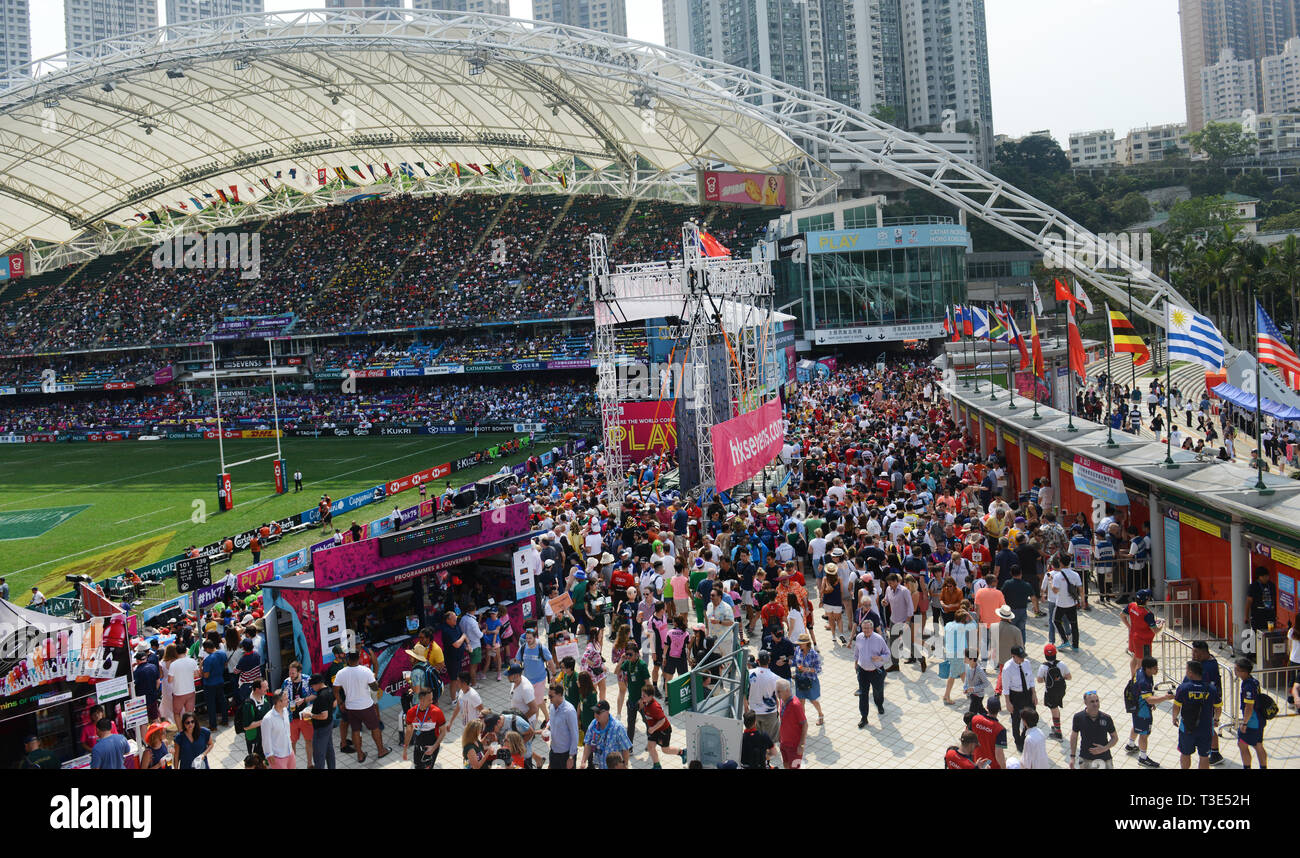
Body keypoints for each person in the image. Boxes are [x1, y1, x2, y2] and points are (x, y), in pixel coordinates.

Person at [334, 650, 389, 763]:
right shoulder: (366, 671)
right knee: (375, 728)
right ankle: (381, 750)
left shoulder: (341, 673)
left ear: (348, 659)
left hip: (351, 707)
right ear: (359, 658)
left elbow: (335, 690)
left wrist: (340, 703)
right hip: (366, 706)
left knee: (356, 730)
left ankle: (360, 755)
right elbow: (374, 688)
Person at [1172, 658, 1222, 770]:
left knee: (1185, 753)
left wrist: (1174, 718)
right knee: (1204, 757)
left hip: (1187, 728)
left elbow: (1176, 706)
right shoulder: (1211, 689)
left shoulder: (1183, 688)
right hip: (1205, 729)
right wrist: (1216, 720)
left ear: (1190, 672)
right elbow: (1218, 708)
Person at [1123, 655, 1172, 768]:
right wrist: (1165, 697)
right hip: (1142, 710)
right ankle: (1143, 758)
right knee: (1144, 734)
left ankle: (1130, 745)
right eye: (1155, 668)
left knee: (1137, 725)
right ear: (1148, 668)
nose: (1157, 669)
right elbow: (1149, 699)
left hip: (1136, 707)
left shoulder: (1141, 671)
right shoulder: (1144, 681)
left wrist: (1152, 701)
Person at [852, 618, 890, 728]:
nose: (866, 630)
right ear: (861, 628)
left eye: (868, 628)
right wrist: (855, 663)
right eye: (864, 628)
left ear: (872, 628)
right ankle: (864, 717)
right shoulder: (859, 637)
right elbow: (857, 651)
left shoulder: (879, 639)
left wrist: (880, 658)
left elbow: (887, 654)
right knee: (863, 694)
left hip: (876, 671)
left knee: (878, 691)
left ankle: (879, 704)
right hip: (862, 671)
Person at [1000, 645, 1037, 753]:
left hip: (1027, 693)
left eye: (1023, 656)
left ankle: (1024, 738)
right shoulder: (1007, 668)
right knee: (1016, 720)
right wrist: (1007, 702)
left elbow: (1031, 680)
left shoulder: (1027, 663)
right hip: (1015, 696)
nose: (1022, 659)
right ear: (1013, 656)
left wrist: (1034, 693)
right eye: (1020, 657)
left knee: (1031, 718)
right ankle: (1018, 741)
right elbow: (1005, 688)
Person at [640, 684, 686, 767]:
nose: (642, 697)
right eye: (641, 695)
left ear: (651, 696)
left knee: (665, 750)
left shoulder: (654, 707)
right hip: (654, 730)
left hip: (663, 730)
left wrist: (653, 728)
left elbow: (662, 720)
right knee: (651, 747)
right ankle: (657, 766)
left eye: (644, 696)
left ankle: (682, 752)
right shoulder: (645, 702)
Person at [1069, 690, 1118, 769]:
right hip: (1086, 758)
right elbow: (1074, 737)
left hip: (1104, 758)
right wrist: (1072, 757)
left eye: (1097, 701)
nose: (1095, 704)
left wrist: (1104, 748)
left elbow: (1115, 738)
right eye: (1092, 702)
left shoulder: (1106, 718)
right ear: (1085, 703)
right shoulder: (1078, 717)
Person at [1233, 657, 1267, 769]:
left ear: (1243, 672)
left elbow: (1249, 706)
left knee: (1242, 744)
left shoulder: (1248, 686)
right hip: (1259, 719)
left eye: (1236, 669)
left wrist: (1245, 723)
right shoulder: (1254, 681)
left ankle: (1247, 767)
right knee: (1258, 745)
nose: (1234, 671)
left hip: (1252, 722)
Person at [402, 686, 447, 770]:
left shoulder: (437, 712)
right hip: (418, 746)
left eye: (432, 699)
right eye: (429, 700)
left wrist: (434, 747)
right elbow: (409, 731)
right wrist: (405, 749)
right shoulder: (411, 712)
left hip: (431, 747)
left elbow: (443, 732)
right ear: (421, 700)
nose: (432, 701)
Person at [580, 701, 632, 769]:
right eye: (595, 712)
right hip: (600, 766)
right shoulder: (593, 724)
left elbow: (625, 749)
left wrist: (625, 765)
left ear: (607, 712)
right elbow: (588, 743)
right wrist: (583, 761)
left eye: (598, 713)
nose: (596, 715)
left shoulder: (618, 727)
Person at [1122, 589, 1161, 678]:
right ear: (1146, 600)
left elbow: (1122, 615)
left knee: (1135, 658)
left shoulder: (1132, 605)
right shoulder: (1147, 614)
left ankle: (1133, 679)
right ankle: (1136, 682)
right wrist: (1161, 625)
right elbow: (1155, 630)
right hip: (1143, 641)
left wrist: (1129, 626)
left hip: (1134, 636)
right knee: (1141, 664)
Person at [1035, 644, 1071, 739]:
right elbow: (1069, 677)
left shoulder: (1043, 667)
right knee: (1056, 708)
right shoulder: (1062, 664)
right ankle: (1056, 726)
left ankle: (1058, 732)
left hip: (1050, 692)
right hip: (1061, 691)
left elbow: (1039, 680)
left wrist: (1046, 680)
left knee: (1054, 709)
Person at [747, 650, 781, 744]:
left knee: (756, 740)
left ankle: (759, 756)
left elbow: (745, 692)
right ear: (769, 661)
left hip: (754, 711)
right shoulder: (775, 678)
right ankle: (767, 757)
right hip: (770, 712)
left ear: (757, 661)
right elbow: (777, 697)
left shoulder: (749, 674)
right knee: (769, 741)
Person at [793, 632, 825, 725]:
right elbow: (795, 662)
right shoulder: (798, 650)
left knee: (813, 700)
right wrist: (788, 662)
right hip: (800, 679)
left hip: (810, 680)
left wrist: (806, 669)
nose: (799, 645)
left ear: (807, 643)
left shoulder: (813, 654)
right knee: (801, 701)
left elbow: (818, 669)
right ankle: (803, 720)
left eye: (801, 643)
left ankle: (820, 714)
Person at [776, 677, 808, 768]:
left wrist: (801, 744)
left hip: (794, 746)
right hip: (784, 743)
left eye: (779, 691)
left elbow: (805, 724)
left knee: (794, 767)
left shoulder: (795, 705)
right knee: (785, 765)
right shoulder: (782, 700)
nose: (777, 694)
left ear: (787, 690)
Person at [546, 683, 579, 769]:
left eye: (551, 696)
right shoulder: (552, 707)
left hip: (566, 755)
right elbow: (552, 720)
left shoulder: (569, 711)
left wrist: (571, 757)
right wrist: (547, 727)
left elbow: (575, 735)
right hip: (554, 751)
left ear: (559, 695)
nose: (549, 698)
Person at [307, 674, 336, 769]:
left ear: (318, 684)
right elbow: (334, 704)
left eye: (313, 685)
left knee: (319, 755)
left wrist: (311, 715)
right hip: (329, 724)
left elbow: (324, 716)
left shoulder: (321, 696)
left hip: (321, 729)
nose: (312, 687)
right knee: (329, 750)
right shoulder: (330, 690)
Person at [260, 689, 295, 768]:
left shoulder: (285, 711)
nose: (288, 701)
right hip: (277, 757)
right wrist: (269, 754)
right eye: (286, 699)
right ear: (279, 702)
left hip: (290, 752)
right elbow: (266, 739)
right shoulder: (268, 719)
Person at [970, 697, 1007, 769]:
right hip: (992, 765)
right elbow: (999, 754)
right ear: (999, 709)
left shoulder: (975, 719)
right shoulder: (1000, 729)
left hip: (976, 761)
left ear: (987, 707)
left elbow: (968, 737)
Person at [1246, 568, 1277, 636]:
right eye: (1264, 576)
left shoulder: (1271, 585)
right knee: (1258, 634)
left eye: (1267, 576)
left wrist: (1275, 614)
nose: (1266, 578)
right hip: (1258, 615)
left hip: (1270, 614)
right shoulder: (1253, 586)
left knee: (1270, 633)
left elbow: (1275, 600)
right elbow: (1249, 601)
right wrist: (1246, 616)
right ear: (1259, 577)